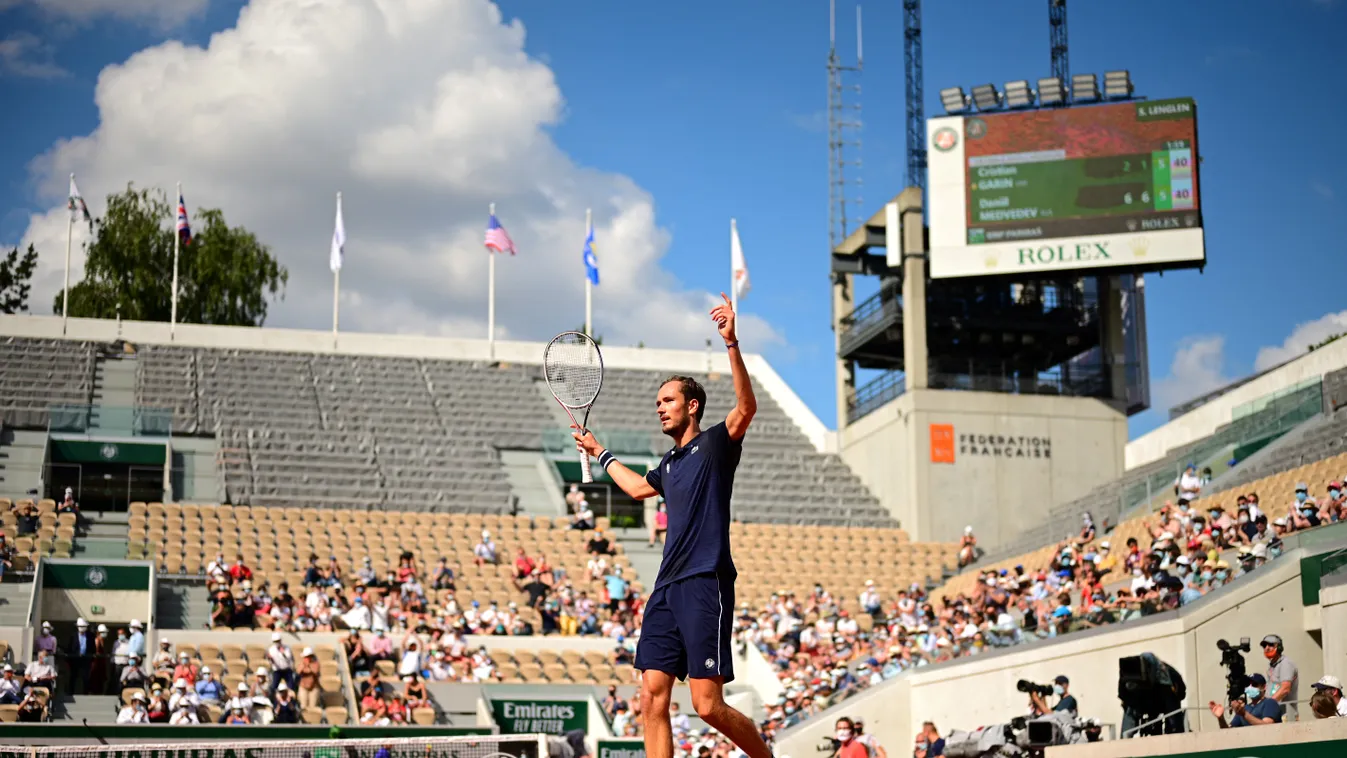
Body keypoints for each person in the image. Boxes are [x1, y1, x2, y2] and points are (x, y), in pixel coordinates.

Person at [574, 293, 770, 758]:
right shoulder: (669, 461)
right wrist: (600, 452)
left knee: (706, 705)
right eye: (657, 402)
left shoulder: (718, 445)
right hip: (665, 588)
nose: (660, 408)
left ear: (694, 406)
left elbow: (746, 407)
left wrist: (731, 344)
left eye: (668, 400)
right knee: (650, 696)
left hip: (705, 581)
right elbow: (639, 490)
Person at [1209, 674, 1281, 727]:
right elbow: (1228, 732)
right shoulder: (1245, 708)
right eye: (1247, 684)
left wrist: (1244, 714)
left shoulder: (1269, 703)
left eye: (1254, 684)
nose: (1250, 687)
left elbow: (1268, 727)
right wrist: (1221, 718)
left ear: (1264, 687)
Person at [1262, 634, 1299, 721]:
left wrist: (1268, 706)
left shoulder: (1286, 664)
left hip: (1286, 715)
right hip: (1275, 714)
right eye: (1264, 645)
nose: (1267, 648)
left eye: (1271, 645)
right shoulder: (1272, 665)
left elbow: (1285, 688)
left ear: (1279, 647)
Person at [65, 617, 95, 694]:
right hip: (75, 659)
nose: (81, 628)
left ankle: (85, 693)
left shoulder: (90, 636)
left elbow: (93, 648)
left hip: (86, 659)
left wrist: (92, 659)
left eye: (83, 627)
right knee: (73, 677)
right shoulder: (73, 636)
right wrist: (68, 661)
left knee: (86, 677)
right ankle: (70, 693)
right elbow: (69, 648)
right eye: (80, 627)